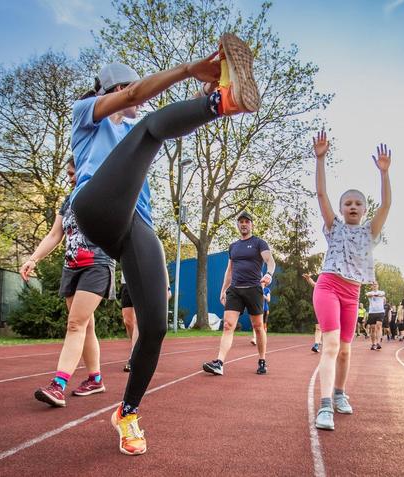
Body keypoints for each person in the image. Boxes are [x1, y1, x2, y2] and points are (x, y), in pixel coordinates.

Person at [69, 33, 261, 455]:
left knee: (154, 328)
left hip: (134, 229)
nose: (133, 95)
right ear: (108, 92)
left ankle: (128, 412)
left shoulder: (142, 128)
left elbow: (169, 119)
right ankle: (223, 104)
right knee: (150, 129)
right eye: (124, 90)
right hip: (96, 207)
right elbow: (142, 98)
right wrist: (194, 73)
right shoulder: (87, 116)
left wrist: (207, 90)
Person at [311, 130, 391, 430]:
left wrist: (384, 174)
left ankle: (341, 393)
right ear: (342, 210)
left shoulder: (371, 232)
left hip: (352, 292)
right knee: (331, 345)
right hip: (329, 285)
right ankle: (325, 406)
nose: (353, 206)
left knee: (345, 349)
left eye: (358, 203)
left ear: (364, 209)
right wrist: (320, 159)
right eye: (348, 203)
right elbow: (321, 195)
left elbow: (386, 206)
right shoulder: (334, 227)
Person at [23, 159, 116, 407]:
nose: (70, 177)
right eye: (68, 173)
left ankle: (58, 385)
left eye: (73, 173)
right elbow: (55, 234)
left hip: (97, 264)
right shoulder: (68, 200)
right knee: (85, 326)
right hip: (71, 267)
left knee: (75, 324)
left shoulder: (103, 192)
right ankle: (95, 379)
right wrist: (34, 258)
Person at [203, 211, 276, 376]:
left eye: (247, 221)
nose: (244, 224)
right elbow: (229, 270)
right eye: (241, 221)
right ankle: (219, 362)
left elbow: (270, 261)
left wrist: (269, 274)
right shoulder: (233, 247)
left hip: (254, 289)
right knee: (228, 326)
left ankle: (262, 360)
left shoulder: (259, 243)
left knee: (258, 327)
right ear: (238, 225)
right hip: (235, 290)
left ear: (251, 225)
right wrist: (223, 290)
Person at [120, 271, 172, 372]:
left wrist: (167, 286)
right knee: (128, 321)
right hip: (126, 282)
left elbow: (161, 263)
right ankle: (138, 348)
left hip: (143, 281)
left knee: (137, 320)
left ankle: (133, 357)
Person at [303, 273, 323, 352]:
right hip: (319, 309)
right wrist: (308, 278)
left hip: (330, 309)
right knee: (318, 328)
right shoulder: (320, 285)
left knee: (328, 329)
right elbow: (313, 283)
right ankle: (316, 345)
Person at [366, 282, 387, 350]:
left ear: (378, 286)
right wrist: (375, 295)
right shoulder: (369, 292)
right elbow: (368, 295)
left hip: (380, 311)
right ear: (371, 286)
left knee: (379, 326)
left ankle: (378, 343)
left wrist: (375, 295)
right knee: (372, 328)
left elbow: (382, 294)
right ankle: (373, 343)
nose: (375, 286)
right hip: (372, 312)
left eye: (376, 285)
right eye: (373, 285)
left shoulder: (381, 292)